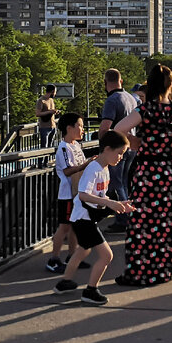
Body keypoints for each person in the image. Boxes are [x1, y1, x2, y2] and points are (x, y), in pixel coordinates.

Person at [113, 64, 172, 286]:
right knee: (168, 221)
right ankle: (164, 269)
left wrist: (137, 143)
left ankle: (139, 272)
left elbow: (118, 129)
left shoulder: (144, 110)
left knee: (143, 222)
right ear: (170, 85)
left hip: (149, 170)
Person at [54, 131, 137, 306]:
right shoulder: (93, 168)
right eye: (119, 153)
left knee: (83, 249)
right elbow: (83, 195)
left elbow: (99, 195)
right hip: (83, 218)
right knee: (107, 255)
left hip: (84, 217)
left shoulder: (104, 168)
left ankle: (65, 282)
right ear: (107, 149)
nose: (121, 157)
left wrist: (118, 204)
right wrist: (111, 204)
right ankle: (90, 290)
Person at [97, 68, 138, 233]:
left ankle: (123, 220)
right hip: (131, 146)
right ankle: (129, 215)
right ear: (121, 81)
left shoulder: (112, 100)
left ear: (106, 83)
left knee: (117, 183)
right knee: (125, 182)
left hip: (116, 148)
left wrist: (102, 144)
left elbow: (105, 127)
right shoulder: (131, 98)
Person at [47, 112, 88, 274]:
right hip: (67, 194)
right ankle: (54, 259)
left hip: (77, 192)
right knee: (64, 227)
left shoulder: (76, 146)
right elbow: (68, 171)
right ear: (69, 128)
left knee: (75, 226)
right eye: (80, 126)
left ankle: (72, 256)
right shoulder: (64, 147)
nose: (82, 129)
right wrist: (86, 165)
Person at [35, 85, 58, 149]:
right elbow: (37, 113)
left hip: (53, 126)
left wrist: (55, 112)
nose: (55, 94)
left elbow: (50, 111)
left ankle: (47, 159)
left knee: (50, 148)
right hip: (44, 127)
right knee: (44, 148)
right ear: (52, 91)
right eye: (55, 92)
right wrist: (49, 112)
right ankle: (42, 159)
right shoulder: (41, 100)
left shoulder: (51, 100)